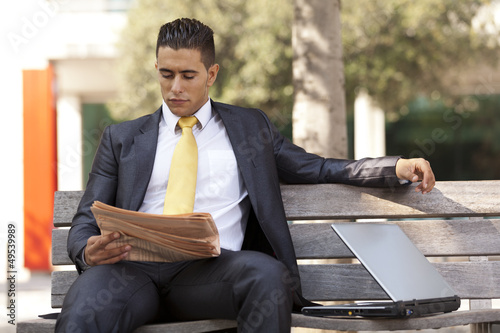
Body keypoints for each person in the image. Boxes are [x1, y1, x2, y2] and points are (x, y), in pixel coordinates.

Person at [55, 18, 435, 333]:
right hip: (131, 273)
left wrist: (394, 168)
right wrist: (88, 251)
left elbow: (317, 167)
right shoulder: (122, 138)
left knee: (268, 277)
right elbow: (86, 219)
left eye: (188, 75)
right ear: (156, 69)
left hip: (209, 274)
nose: (175, 88)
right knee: (86, 309)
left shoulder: (249, 129)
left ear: (212, 74)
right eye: (166, 74)